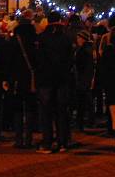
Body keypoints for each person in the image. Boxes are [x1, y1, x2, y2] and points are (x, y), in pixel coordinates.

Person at [35, 11, 73, 153]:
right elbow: (70, 58)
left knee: (46, 112)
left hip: (46, 80)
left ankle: (47, 142)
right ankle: (62, 142)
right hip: (62, 79)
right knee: (61, 111)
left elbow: (38, 59)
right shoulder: (66, 37)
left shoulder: (42, 38)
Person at [6, 23, 38, 148]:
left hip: (16, 80)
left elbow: (8, 62)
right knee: (30, 108)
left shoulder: (13, 44)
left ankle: (18, 138)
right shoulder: (34, 43)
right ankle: (29, 138)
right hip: (30, 80)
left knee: (17, 109)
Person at [73, 29, 95, 132]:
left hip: (83, 78)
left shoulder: (83, 50)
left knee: (82, 101)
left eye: (78, 38)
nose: (77, 40)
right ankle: (90, 120)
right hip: (86, 78)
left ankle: (81, 122)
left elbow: (80, 64)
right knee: (87, 100)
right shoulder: (89, 49)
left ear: (83, 39)